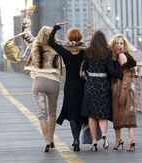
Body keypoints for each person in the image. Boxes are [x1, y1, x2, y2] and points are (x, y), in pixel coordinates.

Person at [81, 30, 122, 152]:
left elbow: (85, 68)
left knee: (92, 115)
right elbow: (110, 70)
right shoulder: (107, 52)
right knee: (103, 113)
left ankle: (94, 141)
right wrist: (122, 75)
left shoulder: (87, 51)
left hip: (91, 83)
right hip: (103, 84)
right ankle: (103, 135)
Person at [48, 23, 87, 152]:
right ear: (80, 37)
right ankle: (79, 136)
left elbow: (50, 42)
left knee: (71, 114)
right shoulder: (85, 52)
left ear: (69, 38)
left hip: (70, 87)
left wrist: (55, 28)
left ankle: (75, 139)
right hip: (83, 86)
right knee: (81, 112)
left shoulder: (65, 52)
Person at [23, 25, 62, 152]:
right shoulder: (57, 46)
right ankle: (51, 139)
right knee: (52, 112)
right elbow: (75, 46)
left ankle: (45, 140)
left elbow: (25, 35)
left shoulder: (34, 44)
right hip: (54, 83)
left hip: (39, 82)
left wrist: (27, 19)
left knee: (41, 114)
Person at [109, 34, 137, 151]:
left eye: (121, 43)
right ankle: (130, 140)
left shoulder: (121, 56)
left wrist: (123, 93)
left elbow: (126, 76)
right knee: (128, 115)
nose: (119, 46)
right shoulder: (126, 56)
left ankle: (120, 140)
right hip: (125, 89)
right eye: (117, 43)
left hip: (120, 89)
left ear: (124, 45)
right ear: (113, 45)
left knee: (118, 115)